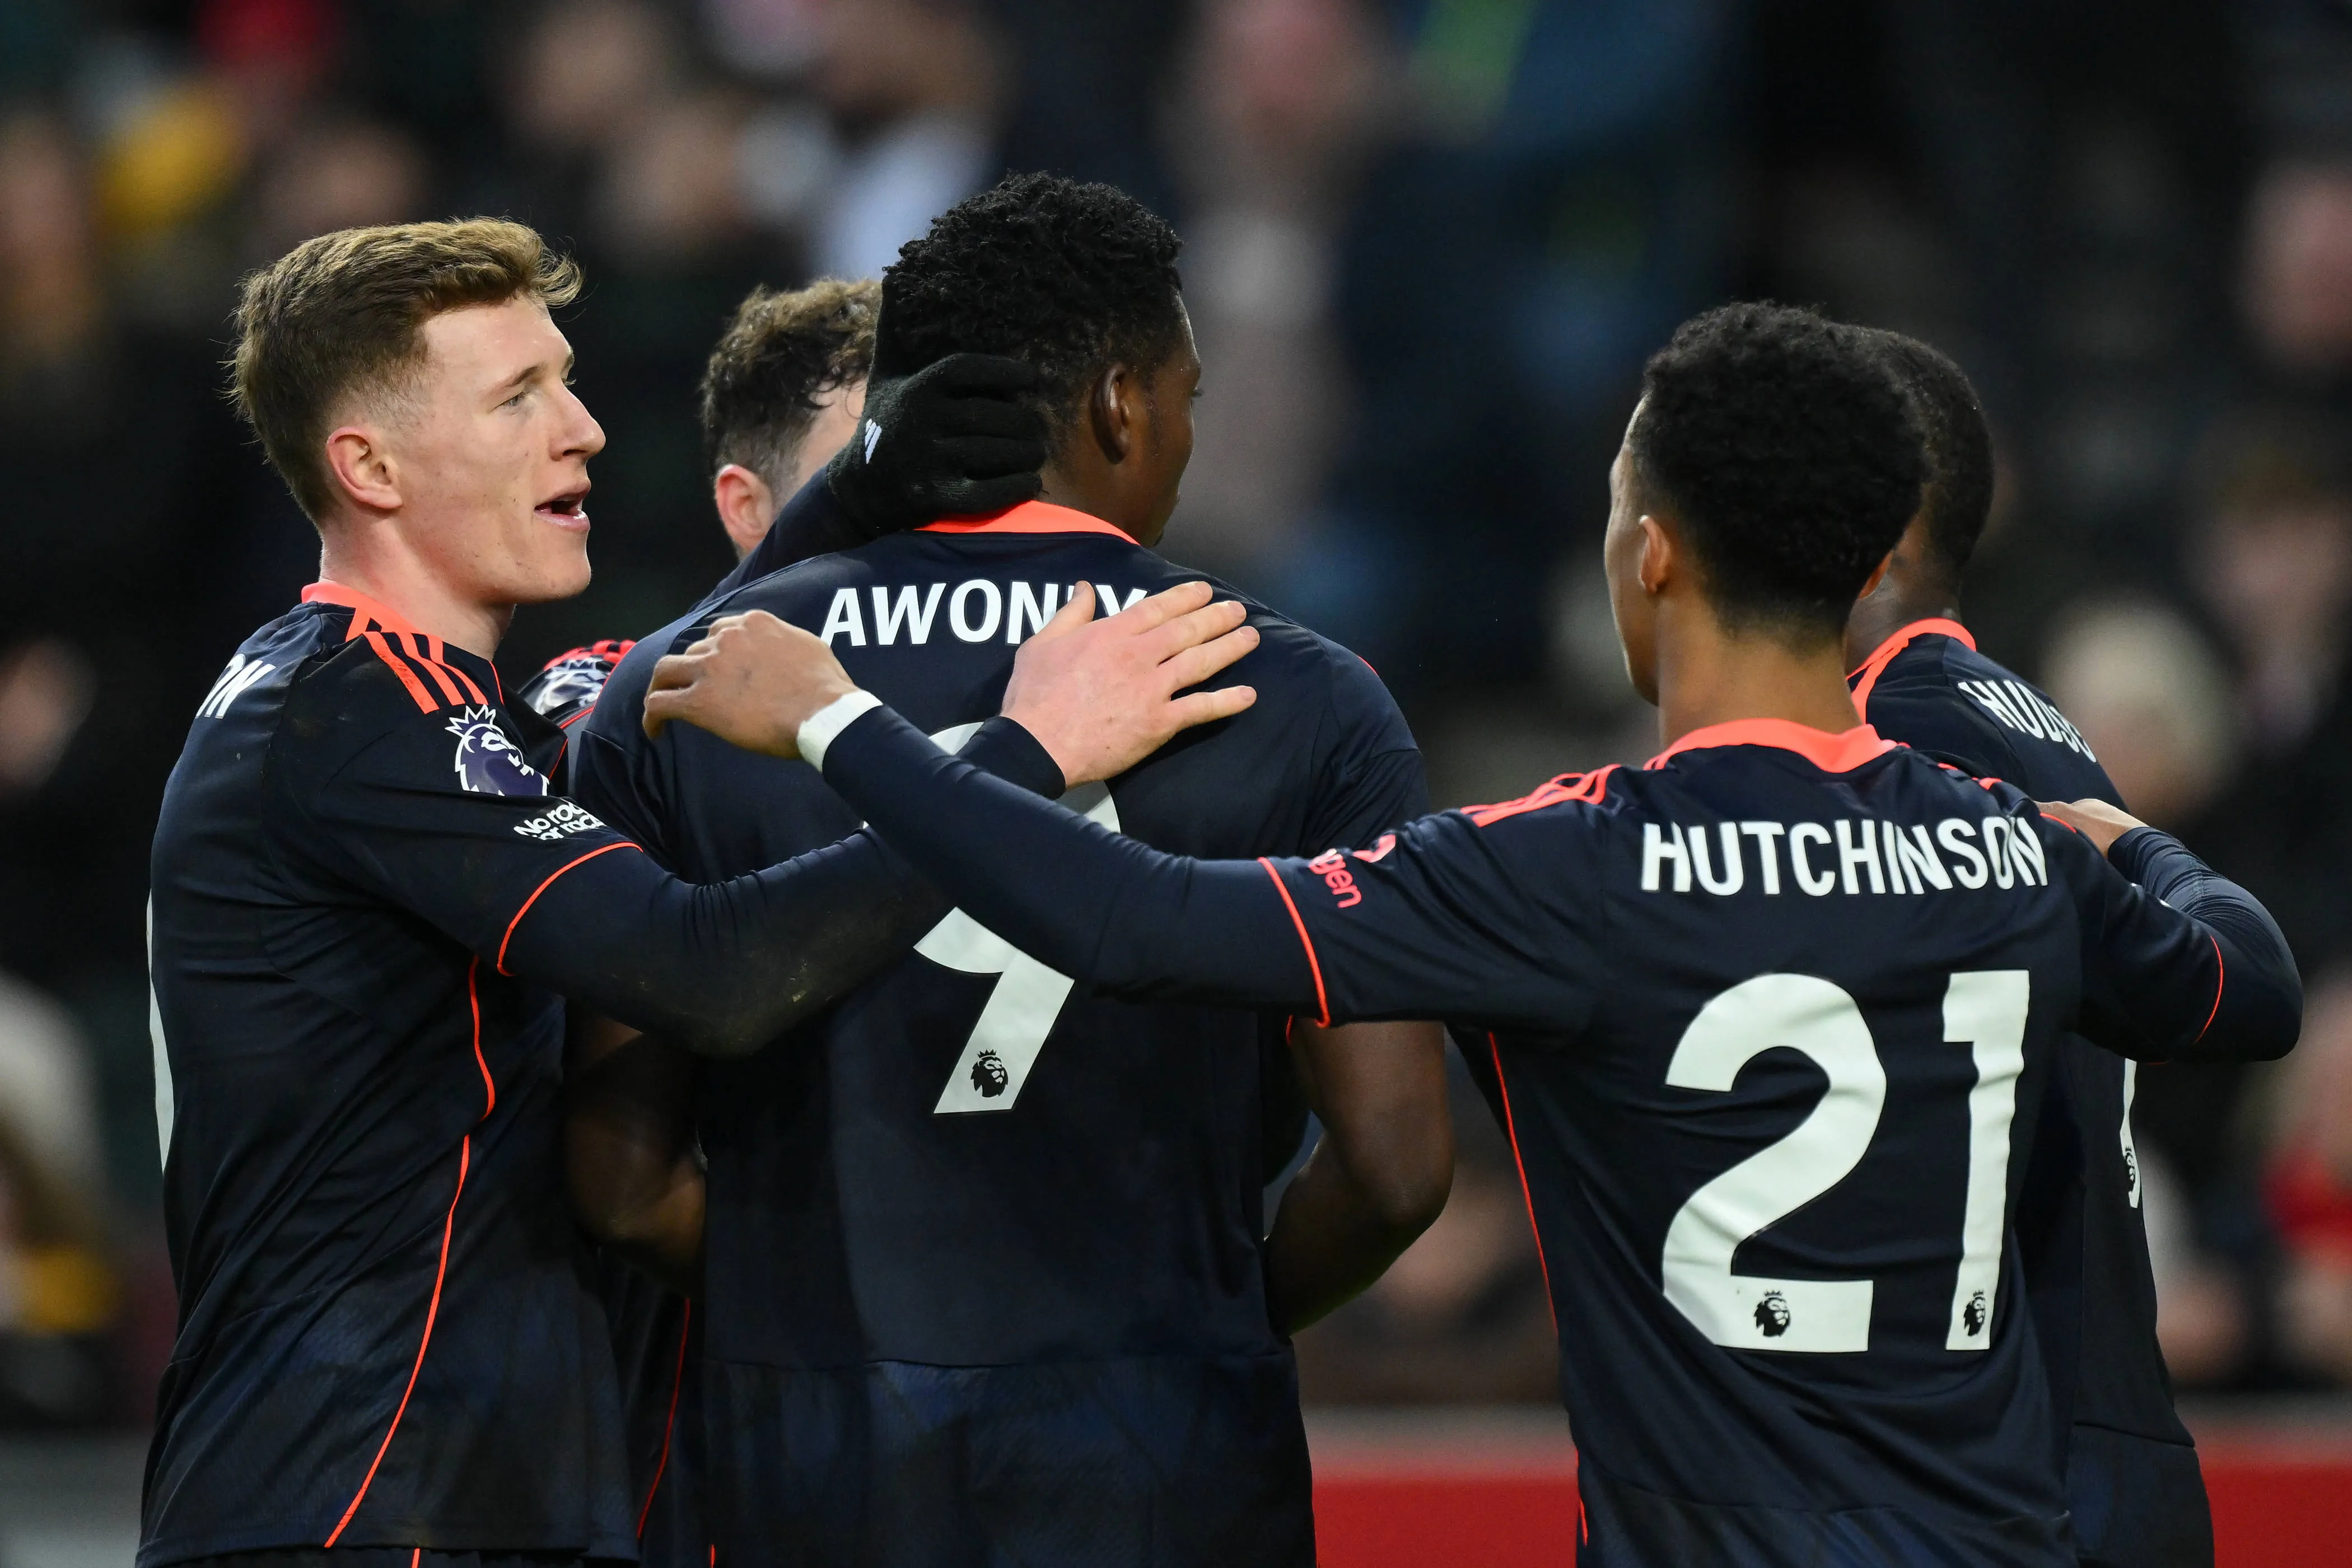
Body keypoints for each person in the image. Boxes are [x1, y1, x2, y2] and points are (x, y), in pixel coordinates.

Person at [637, 302, 2304, 1566]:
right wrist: (2135, 842)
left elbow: (1133, 915)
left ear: (1644, 557)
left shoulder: (1558, 867)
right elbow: (2250, 987)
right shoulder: (2011, 853)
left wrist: (847, 730)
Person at [141, 217, 1251, 1568]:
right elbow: (705, 969)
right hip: (368, 1490)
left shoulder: (368, 702)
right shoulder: (361, 710)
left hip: (404, 1479)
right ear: (369, 465)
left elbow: (630, 709)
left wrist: (846, 501)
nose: (585, 427)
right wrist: (1029, 754)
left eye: (566, 377)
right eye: (518, 398)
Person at [566, 173, 1453, 1566]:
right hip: (1171, 1464)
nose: (1182, 434)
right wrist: (1208, 1316)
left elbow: (620, 1179)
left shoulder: (691, 683)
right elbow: (1396, 1166)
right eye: (1187, 397)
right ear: (1118, 405)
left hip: (808, 1464)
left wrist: (814, 1317)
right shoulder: (1299, 695)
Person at [1842, 329, 2219, 1567]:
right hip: (2100, 1409)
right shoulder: (2029, 716)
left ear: (1881, 530)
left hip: (2007, 1445)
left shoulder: (1889, 743)